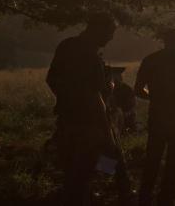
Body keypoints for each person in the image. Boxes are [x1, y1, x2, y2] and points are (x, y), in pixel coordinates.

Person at [46, 13, 120, 206]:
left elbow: (51, 79)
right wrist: (107, 132)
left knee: (71, 170)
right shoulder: (90, 56)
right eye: (110, 32)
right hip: (91, 125)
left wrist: (67, 100)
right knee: (100, 162)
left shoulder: (66, 46)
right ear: (98, 29)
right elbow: (94, 96)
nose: (111, 37)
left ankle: (81, 195)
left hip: (67, 120)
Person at [134, 28, 175, 206]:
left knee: (153, 158)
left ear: (164, 41)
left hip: (157, 115)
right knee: (174, 161)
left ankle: (144, 197)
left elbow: (138, 89)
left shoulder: (150, 60)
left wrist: (154, 97)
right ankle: (165, 198)